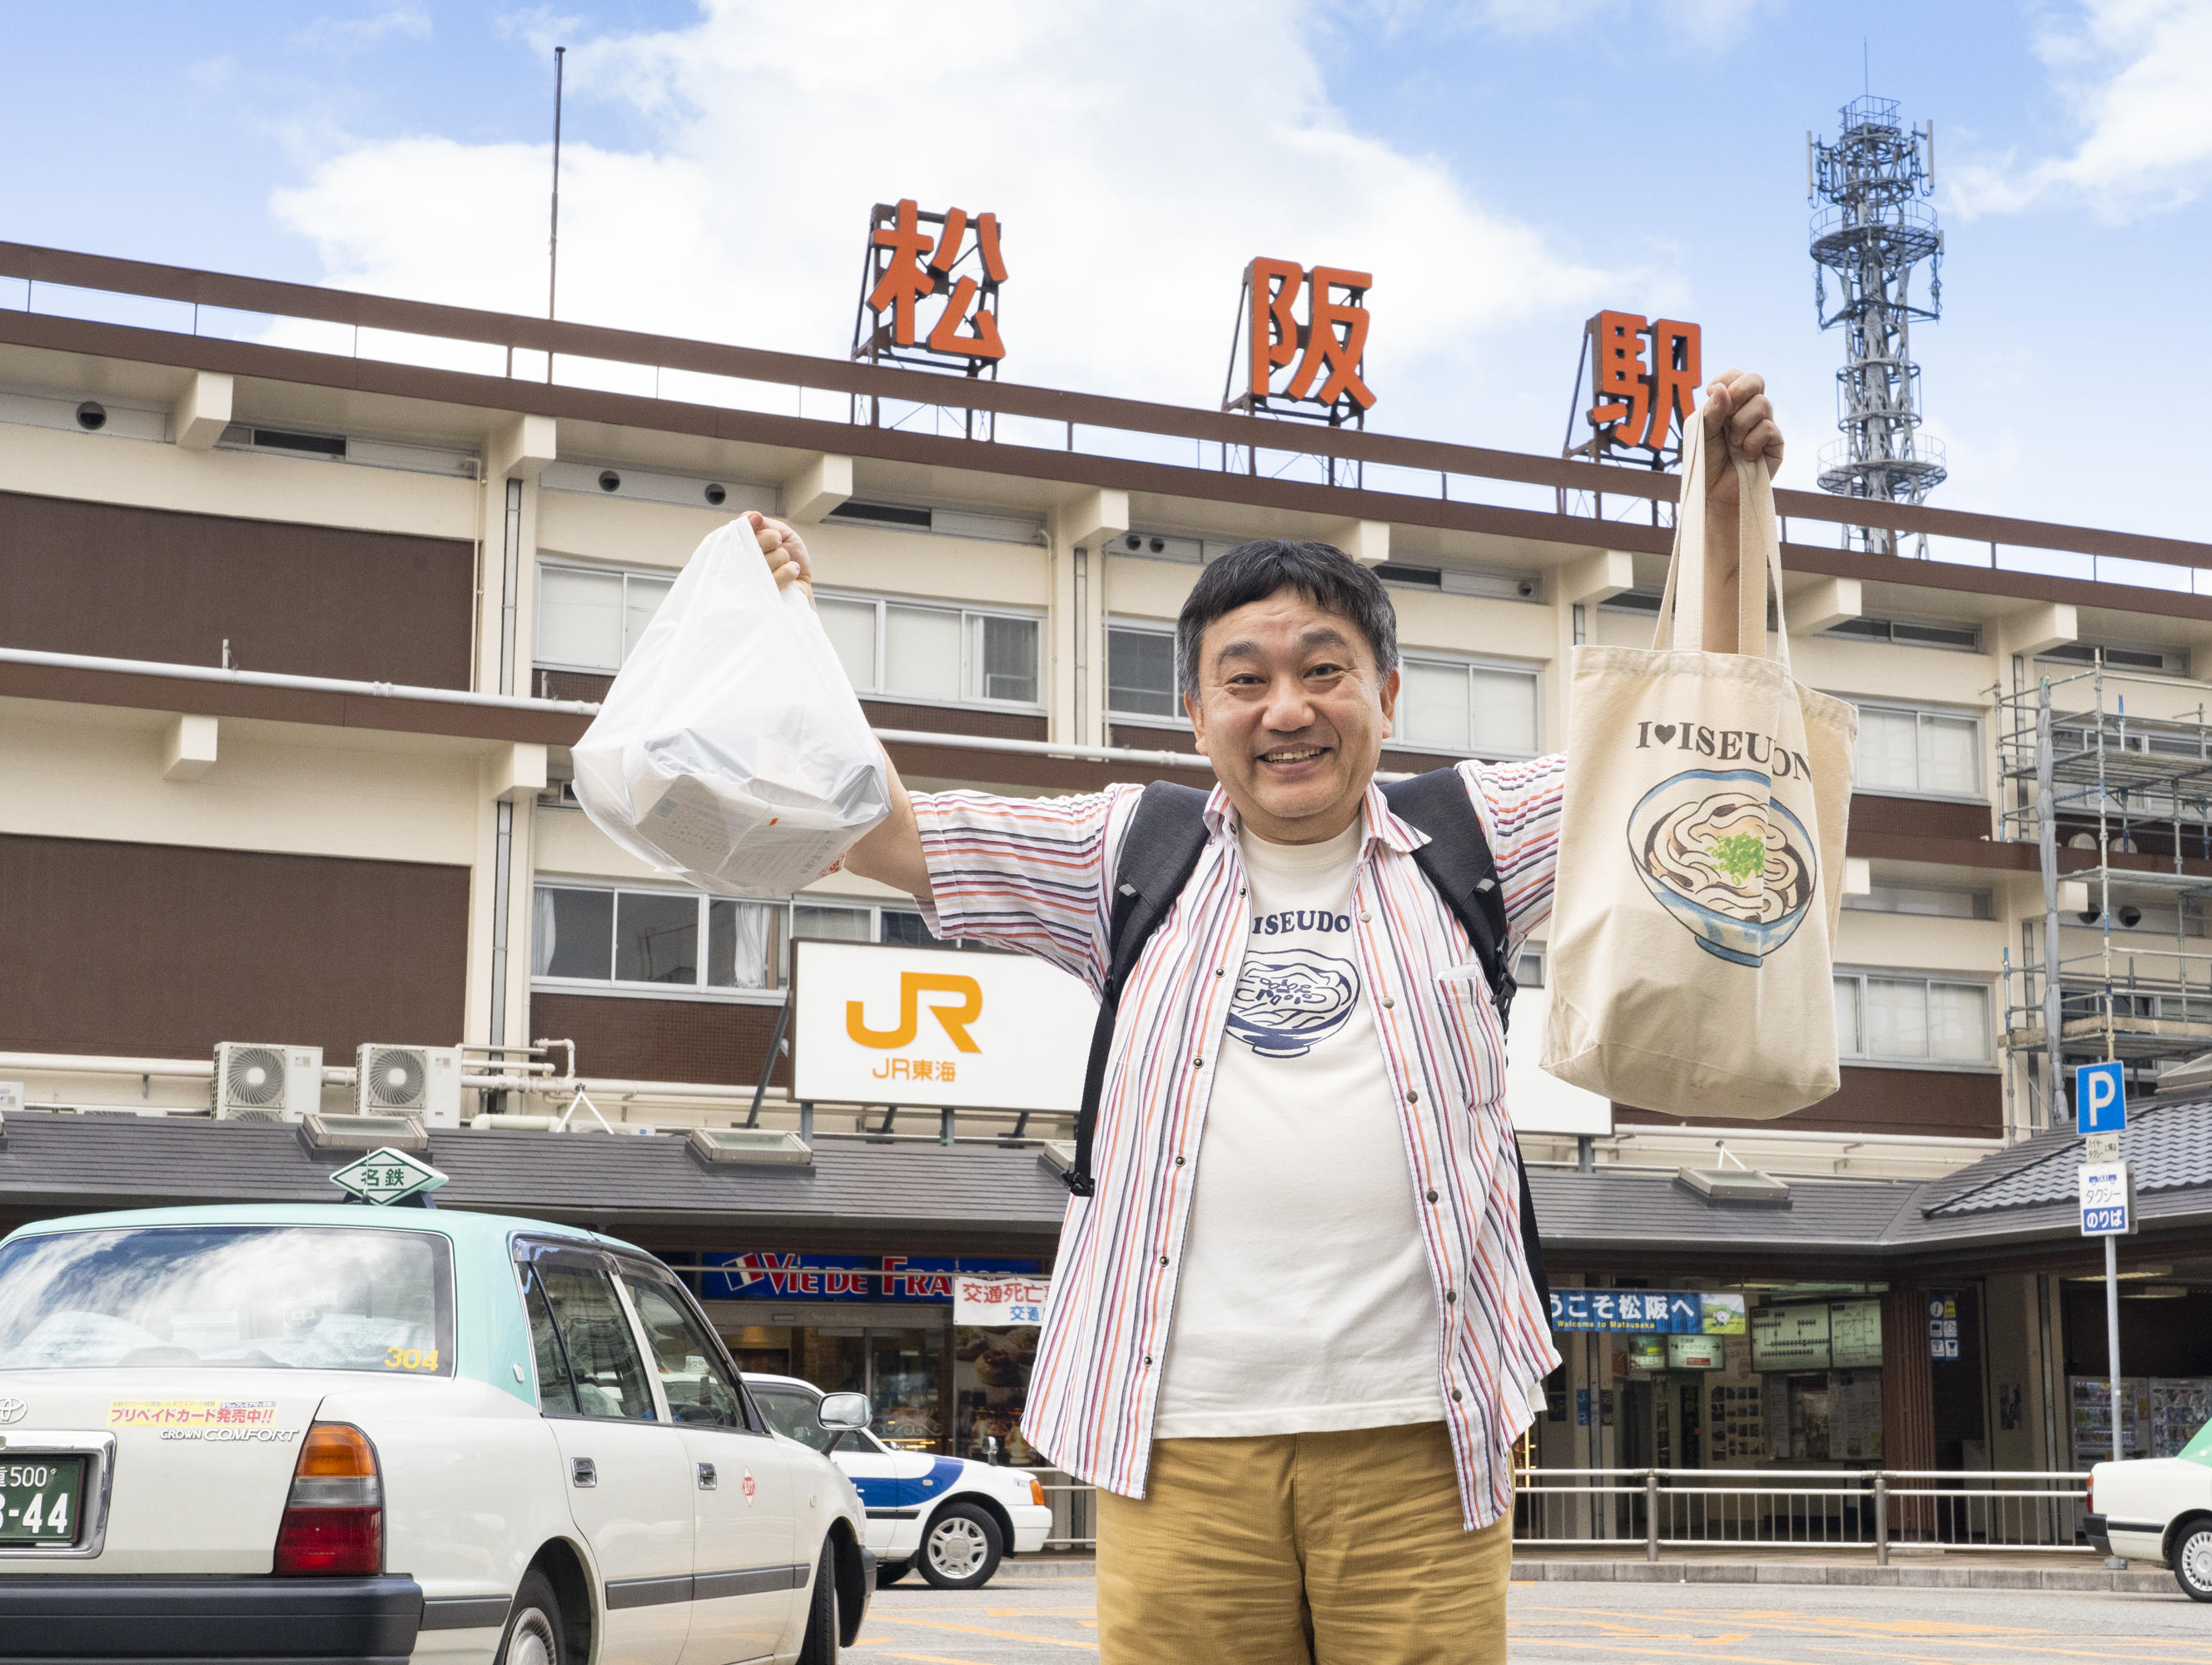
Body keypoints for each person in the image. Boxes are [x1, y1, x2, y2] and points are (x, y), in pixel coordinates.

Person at [750, 372, 1783, 1663]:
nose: (1285, 708)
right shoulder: (1127, 849)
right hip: (1177, 1436)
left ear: (1386, 697)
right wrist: (781, 621)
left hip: (1427, 1430)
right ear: (1196, 714)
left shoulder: (1479, 835)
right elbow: (893, 836)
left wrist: (1728, 523)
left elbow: (1693, 752)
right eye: (1244, 679)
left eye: (1322, 671)